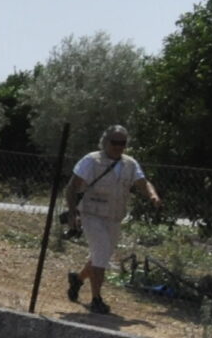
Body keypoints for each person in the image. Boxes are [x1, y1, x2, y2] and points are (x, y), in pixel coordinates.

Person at [63, 124, 162, 316]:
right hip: (92, 214)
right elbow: (71, 187)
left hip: (114, 217)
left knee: (102, 255)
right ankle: (96, 299)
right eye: (115, 142)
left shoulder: (130, 164)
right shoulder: (91, 161)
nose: (119, 146)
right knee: (101, 251)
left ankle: (78, 279)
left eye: (122, 143)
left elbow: (143, 182)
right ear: (105, 142)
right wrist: (72, 213)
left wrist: (153, 196)